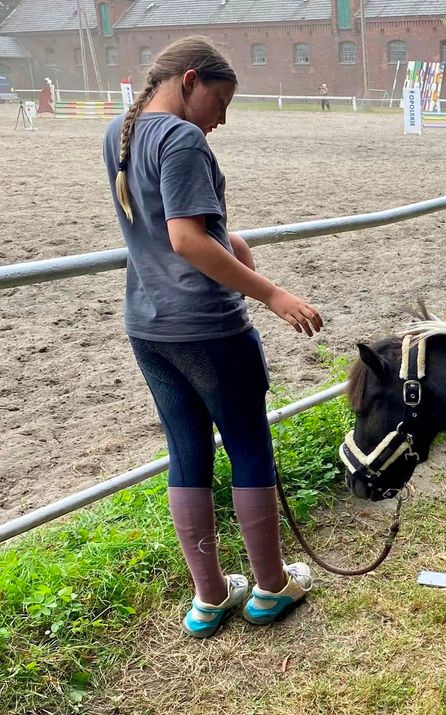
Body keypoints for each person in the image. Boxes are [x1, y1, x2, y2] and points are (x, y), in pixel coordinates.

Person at [102, 36, 323, 639]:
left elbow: (172, 229)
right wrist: (272, 293)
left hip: (149, 325)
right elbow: (186, 240)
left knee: (187, 452)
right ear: (190, 80)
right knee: (249, 443)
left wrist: (232, 244)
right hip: (207, 325)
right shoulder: (181, 138)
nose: (220, 120)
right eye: (220, 102)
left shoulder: (120, 132)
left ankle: (208, 597)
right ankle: (271, 588)